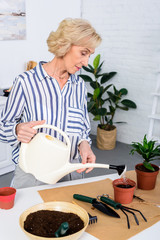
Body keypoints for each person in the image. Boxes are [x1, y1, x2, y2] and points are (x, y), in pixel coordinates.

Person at [0, 18, 102, 188]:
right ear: (65, 45)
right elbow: (3, 127)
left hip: (70, 172)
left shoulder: (79, 86)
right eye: (83, 53)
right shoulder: (26, 82)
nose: (86, 63)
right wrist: (17, 129)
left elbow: (83, 128)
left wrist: (84, 145)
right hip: (33, 174)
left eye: (89, 55)